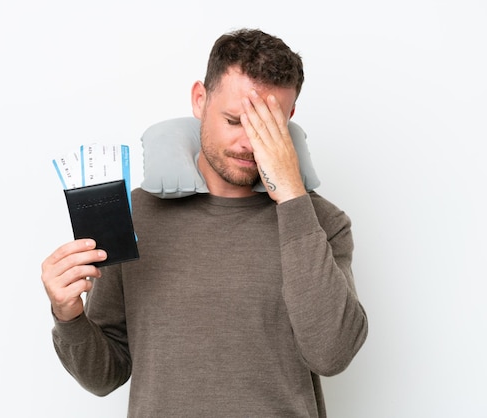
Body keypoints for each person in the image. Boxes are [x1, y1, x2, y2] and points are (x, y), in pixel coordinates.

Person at [41, 28, 368, 417]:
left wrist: (294, 198)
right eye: (234, 120)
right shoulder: (133, 214)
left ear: (290, 116)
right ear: (200, 99)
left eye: (267, 126)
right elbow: (105, 375)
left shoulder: (323, 223)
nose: (249, 143)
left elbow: (331, 354)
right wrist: (68, 315)